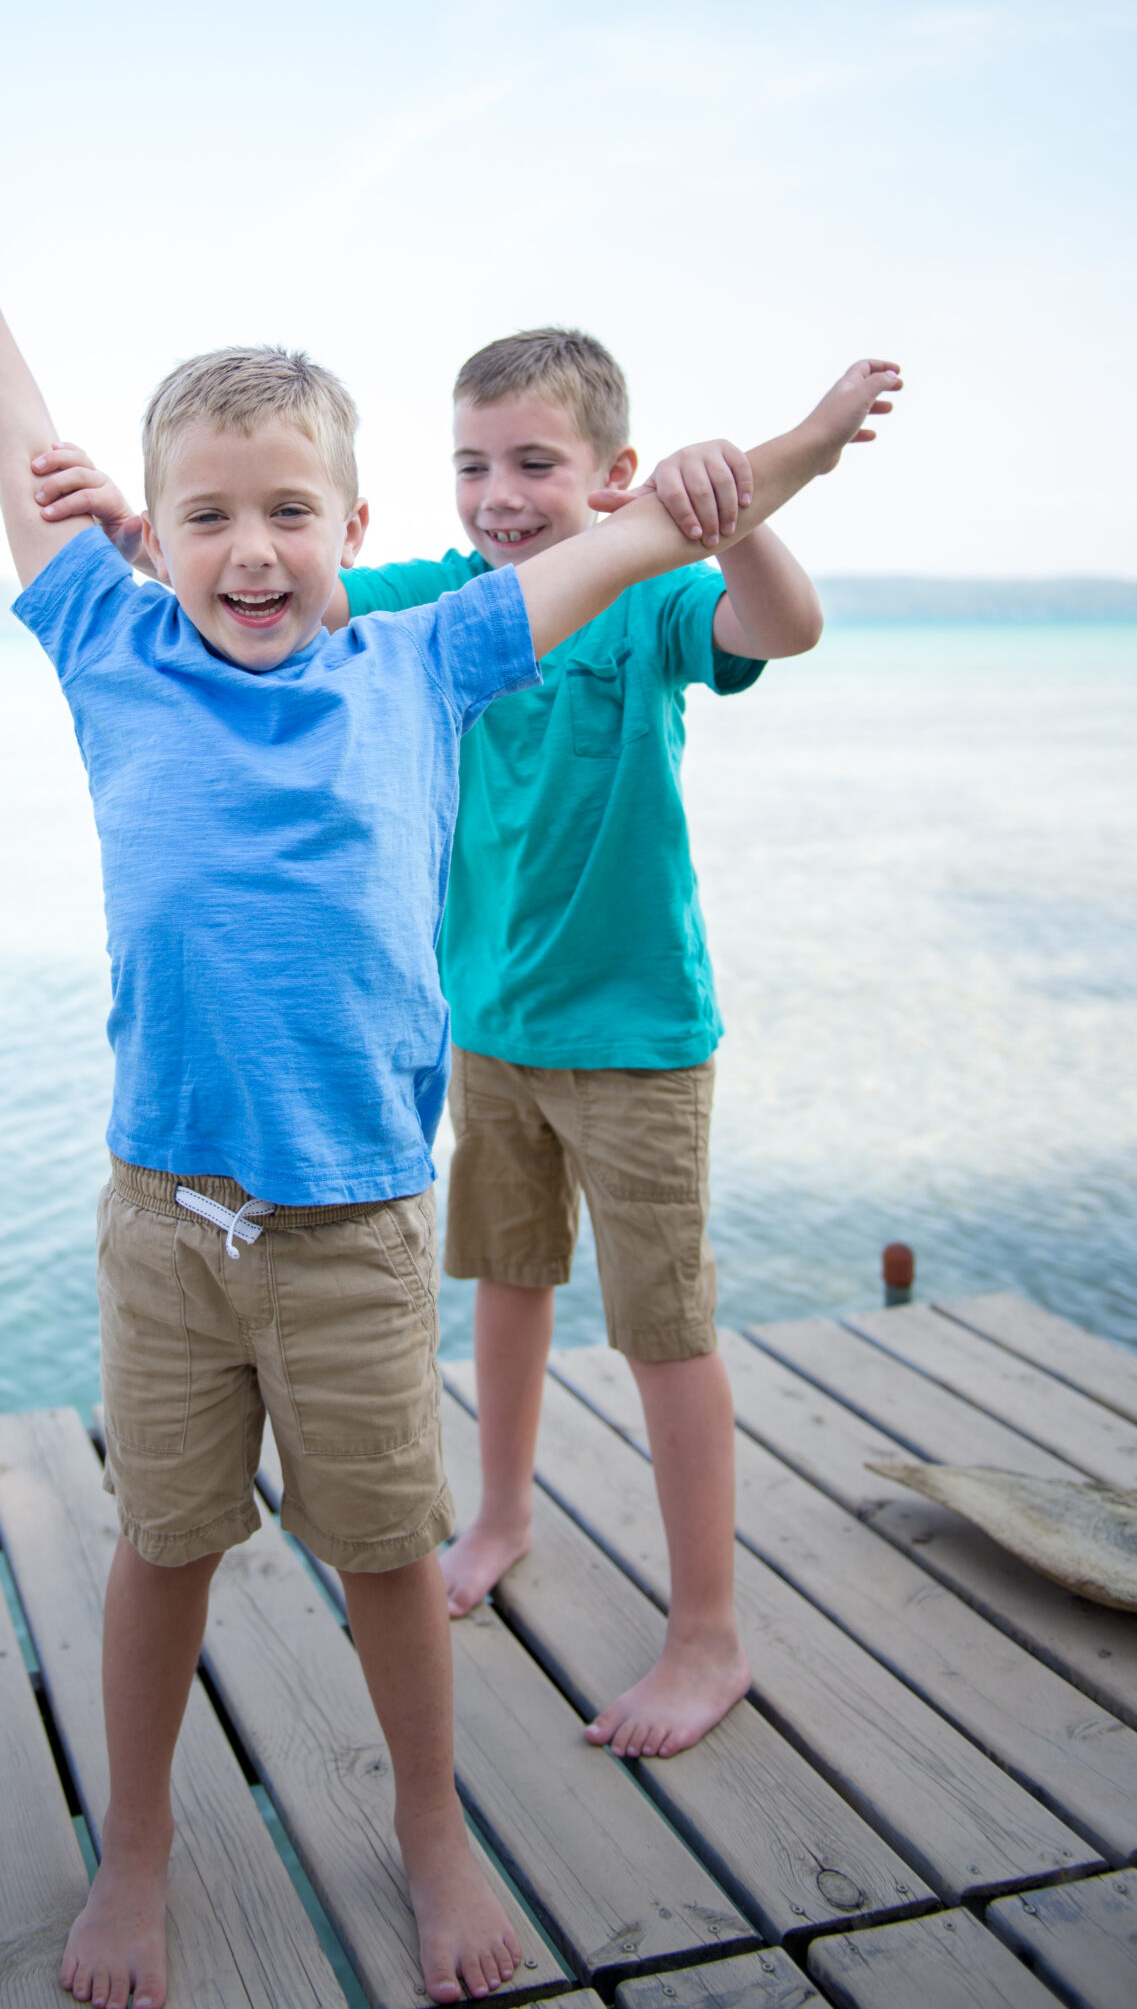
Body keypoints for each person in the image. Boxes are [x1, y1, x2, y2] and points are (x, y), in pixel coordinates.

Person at [0, 144, 899, 2009]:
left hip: (349, 1230)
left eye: (288, 512)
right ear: (148, 537)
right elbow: (17, 447)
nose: (249, 551)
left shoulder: (427, 662)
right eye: (205, 517)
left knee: (382, 1557)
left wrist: (794, 443)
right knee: (163, 1547)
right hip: (164, 1223)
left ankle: (430, 1831)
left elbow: (650, 538)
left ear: (357, 528)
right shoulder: (105, 643)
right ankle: (141, 1851)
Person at [333, 328, 826, 1763]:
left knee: (662, 1328)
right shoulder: (441, 603)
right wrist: (146, 540)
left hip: (636, 1035)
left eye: (533, 464)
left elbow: (779, 631)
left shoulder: (644, 592)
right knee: (503, 1277)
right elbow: (303, 604)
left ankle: (707, 1632)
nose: (497, 494)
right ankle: (496, 1516)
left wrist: (737, 516)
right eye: (473, 464)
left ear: (611, 477)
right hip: (485, 1025)